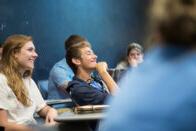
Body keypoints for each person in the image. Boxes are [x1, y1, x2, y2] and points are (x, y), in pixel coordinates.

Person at [100, 0, 196, 131]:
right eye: (133, 55)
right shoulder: (126, 71)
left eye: (138, 54)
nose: (136, 57)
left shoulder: (134, 80)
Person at [0, 34, 57, 131]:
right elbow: (3, 125)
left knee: (79, 126)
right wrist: (38, 130)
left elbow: (42, 109)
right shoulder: (2, 80)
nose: (35, 54)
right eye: (30, 50)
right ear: (15, 53)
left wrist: (51, 111)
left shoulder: (28, 80)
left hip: (33, 127)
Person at [66, 41, 117, 106]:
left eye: (93, 53)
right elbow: (119, 100)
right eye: (89, 54)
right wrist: (103, 72)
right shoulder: (79, 89)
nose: (95, 56)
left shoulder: (95, 80)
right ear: (77, 61)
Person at [47, 35, 86, 100]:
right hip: (62, 108)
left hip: (82, 105)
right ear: (72, 51)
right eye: (86, 51)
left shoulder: (85, 67)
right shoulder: (59, 69)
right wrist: (103, 73)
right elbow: (77, 92)